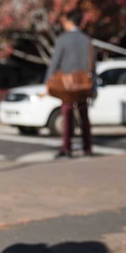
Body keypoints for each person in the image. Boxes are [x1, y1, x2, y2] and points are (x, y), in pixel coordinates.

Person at [45, 10, 94, 158]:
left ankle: (66, 148)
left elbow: (55, 62)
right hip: (84, 82)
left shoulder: (62, 40)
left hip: (67, 83)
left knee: (67, 114)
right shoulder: (87, 40)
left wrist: (48, 80)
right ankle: (88, 148)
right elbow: (93, 64)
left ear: (69, 21)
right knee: (84, 115)